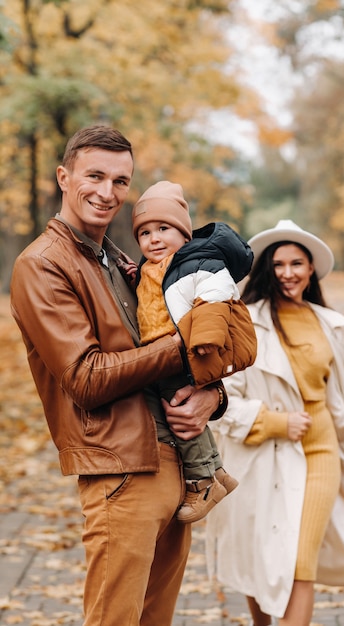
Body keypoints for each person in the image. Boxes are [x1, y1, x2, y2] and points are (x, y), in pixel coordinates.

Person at [9, 125, 230, 626]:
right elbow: (85, 378)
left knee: (155, 619)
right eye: (94, 176)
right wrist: (184, 346)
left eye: (120, 181)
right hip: (121, 471)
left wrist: (211, 396)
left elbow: (167, 345)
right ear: (64, 177)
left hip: (175, 461)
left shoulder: (126, 261)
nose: (107, 192)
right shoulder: (42, 265)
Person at [205, 219, 344, 626]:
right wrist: (273, 422)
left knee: (300, 560)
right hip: (261, 456)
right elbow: (220, 397)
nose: (288, 273)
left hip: (322, 452)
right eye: (279, 264)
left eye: (297, 263)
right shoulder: (244, 320)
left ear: (310, 269)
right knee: (261, 556)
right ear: (267, 269)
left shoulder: (326, 322)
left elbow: (336, 396)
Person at [129, 180, 256, 523]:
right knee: (182, 409)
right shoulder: (151, 268)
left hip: (184, 350)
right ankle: (219, 472)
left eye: (163, 228)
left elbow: (216, 298)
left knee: (179, 412)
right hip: (161, 349)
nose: (153, 238)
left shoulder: (196, 263)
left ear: (184, 235)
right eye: (144, 233)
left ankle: (202, 481)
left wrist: (206, 338)